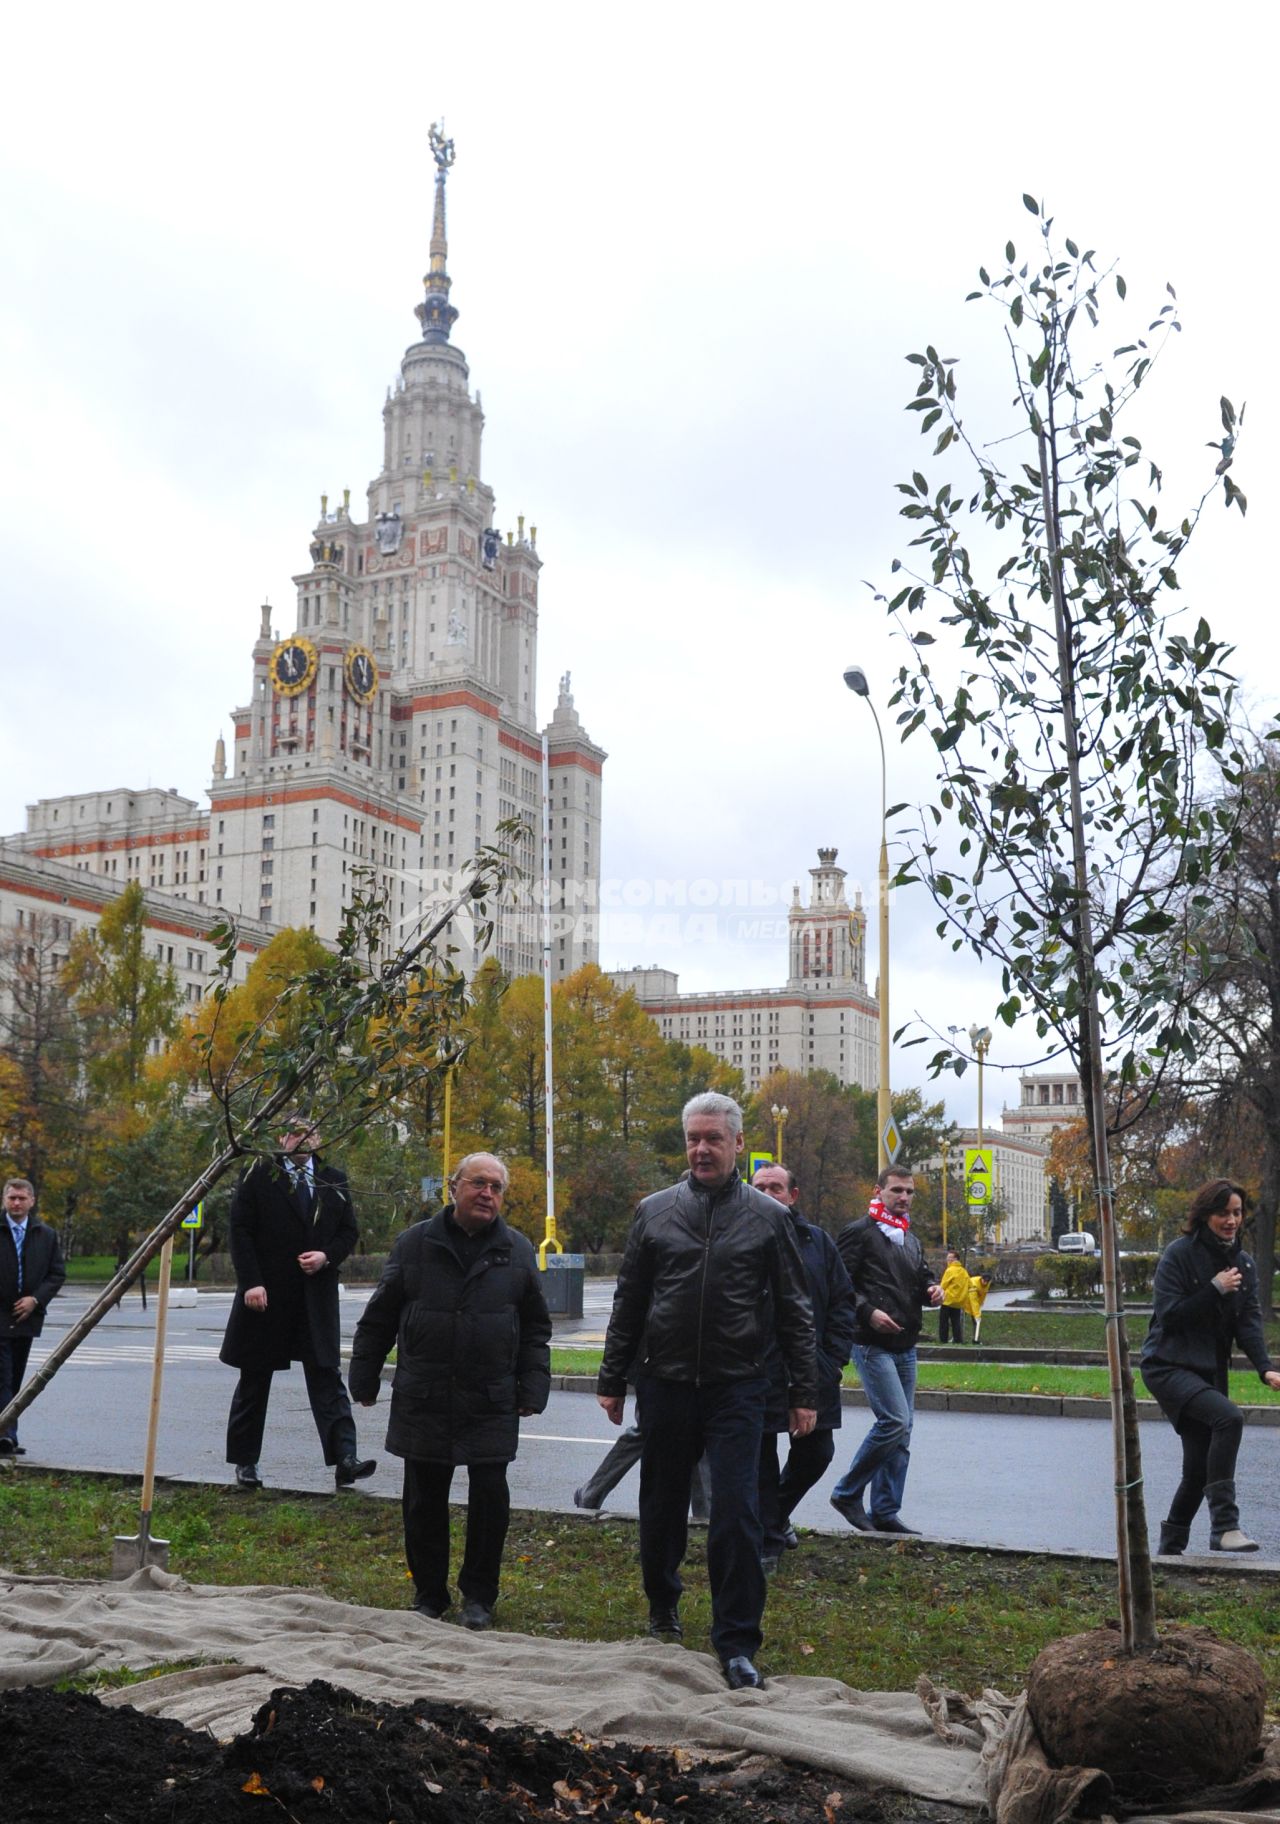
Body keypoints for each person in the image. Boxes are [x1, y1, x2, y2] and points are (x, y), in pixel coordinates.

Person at [596, 1092, 817, 1692]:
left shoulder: (769, 1219)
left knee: (738, 1513)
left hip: (737, 1386)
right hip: (665, 1382)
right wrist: (613, 1378)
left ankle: (737, 1641)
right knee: (661, 1504)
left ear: (739, 1145)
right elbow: (630, 1301)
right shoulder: (655, 1212)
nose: (701, 1148)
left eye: (713, 1138)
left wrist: (805, 1389)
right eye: (693, 1138)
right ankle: (662, 1604)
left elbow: (796, 1310)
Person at [349, 1152, 551, 1629]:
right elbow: (379, 1317)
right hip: (425, 1394)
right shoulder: (414, 1244)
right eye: (479, 1183)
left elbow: (536, 1328)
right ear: (453, 1187)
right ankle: (429, 1595)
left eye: (497, 1187)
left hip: (490, 1397)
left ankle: (479, 1598)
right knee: (423, 1501)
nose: (488, 1194)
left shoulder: (518, 1250)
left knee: (489, 1500)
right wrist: (364, 1376)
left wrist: (533, 1386)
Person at [219, 1118, 375, 1491]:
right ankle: (245, 1462)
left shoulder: (332, 1179)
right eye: (294, 1134)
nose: (302, 1140)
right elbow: (239, 1231)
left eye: (309, 1134)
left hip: (314, 1297)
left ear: (319, 1138)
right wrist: (251, 1283)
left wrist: (327, 1256)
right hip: (267, 1298)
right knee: (254, 1380)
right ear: (282, 1139)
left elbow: (347, 1231)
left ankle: (345, 1460)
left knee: (327, 1378)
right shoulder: (260, 1174)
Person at [1140, 1179, 1280, 1555]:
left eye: (1236, 1213)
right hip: (1167, 1365)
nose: (1231, 1220)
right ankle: (1225, 1527)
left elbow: (1247, 1322)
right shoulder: (1179, 1255)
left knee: (1198, 1471)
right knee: (1228, 1419)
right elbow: (1169, 1316)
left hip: (1207, 1373)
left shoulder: (1244, 1264)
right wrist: (1213, 1289)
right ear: (1205, 1215)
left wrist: (1265, 1367)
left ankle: (1169, 1552)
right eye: (1223, 1213)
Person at [751, 1162, 855, 1571]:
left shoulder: (818, 1243)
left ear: (793, 1196)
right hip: (757, 1370)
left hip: (813, 1369)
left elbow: (843, 1302)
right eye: (759, 1187)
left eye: (775, 1187)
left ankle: (772, 1518)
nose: (767, 1194)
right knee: (759, 1456)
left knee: (816, 1453)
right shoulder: (738, 1237)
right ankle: (768, 1543)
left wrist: (832, 1360)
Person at [828, 1166, 943, 1536]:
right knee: (893, 1420)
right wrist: (868, 1312)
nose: (904, 1198)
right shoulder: (859, 1232)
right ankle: (847, 1493)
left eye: (909, 1192)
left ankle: (885, 1511)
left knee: (903, 1432)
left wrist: (932, 1289)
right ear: (878, 1191)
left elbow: (921, 1274)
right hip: (870, 1342)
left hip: (905, 1344)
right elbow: (840, 1285)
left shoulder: (908, 1235)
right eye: (897, 1191)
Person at [0, 1178, 66, 1456]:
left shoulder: (45, 1234)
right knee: (2, 1377)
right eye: (12, 1197)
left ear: (32, 1201)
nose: (16, 1202)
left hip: (27, 1319)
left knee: (15, 1379)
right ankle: (6, 1434)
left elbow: (56, 1274)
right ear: (4, 1200)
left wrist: (35, 1300)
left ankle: (7, 1433)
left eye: (21, 1198)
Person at [938, 1248, 970, 1344]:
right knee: (956, 1322)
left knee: (944, 1321)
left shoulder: (950, 1270)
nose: (948, 1260)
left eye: (950, 1258)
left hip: (948, 1300)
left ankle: (943, 1340)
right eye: (947, 1258)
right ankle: (958, 1339)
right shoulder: (964, 1271)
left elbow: (943, 1285)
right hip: (958, 1302)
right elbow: (969, 1284)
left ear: (955, 1259)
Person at [965, 1272, 992, 1343]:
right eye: (984, 1281)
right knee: (960, 1320)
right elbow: (973, 1301)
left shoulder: (988, 1283)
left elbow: (983, 1294)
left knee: (976, 1322)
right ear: (981, 1278)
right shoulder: (974, 1284)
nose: (985, 1283)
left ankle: (975, 1339)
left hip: (975, 1303)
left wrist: (981, 1303)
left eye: (987, 1281)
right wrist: (977, 1315)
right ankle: (956, 1338)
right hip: (964, 1301)